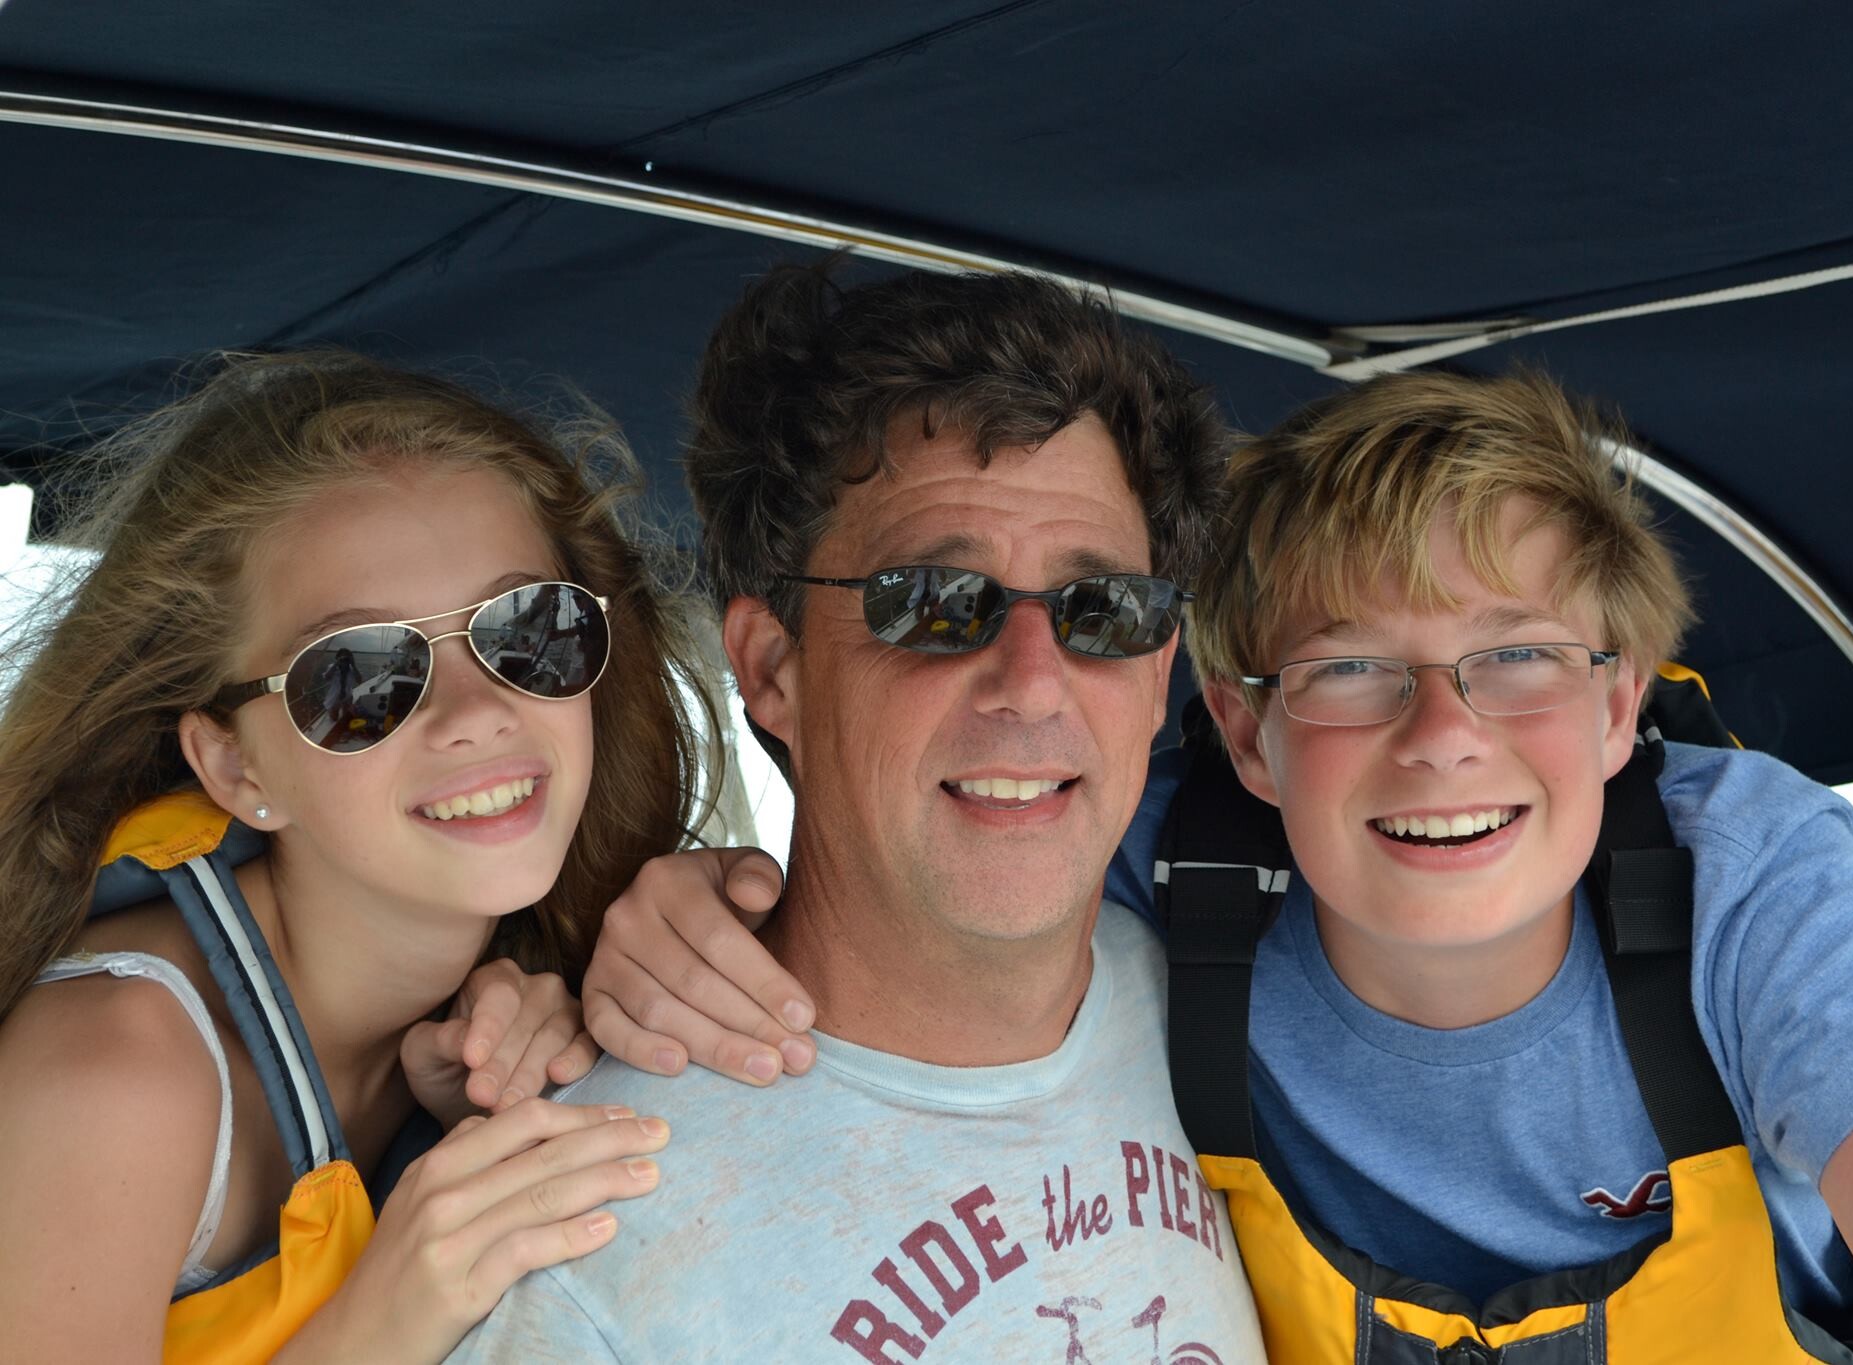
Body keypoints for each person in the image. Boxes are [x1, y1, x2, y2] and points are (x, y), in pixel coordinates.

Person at [595, 369, 1853, 1364]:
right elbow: (909, 892)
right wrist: (684, 904)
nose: (1443, 737)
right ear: (1245, 732)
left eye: (1517, 658)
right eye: (1350, 671)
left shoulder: (1741, 880)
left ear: (1617, 708)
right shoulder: (1164, 867)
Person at [452, 265, 1268, 1363]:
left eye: (1102, 609)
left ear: (1161, 663)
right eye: (935, 603)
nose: (1033, 683)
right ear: (770, 667)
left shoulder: (1242, 1015)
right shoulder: (581, 1244)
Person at [0, 351, 718, 1362]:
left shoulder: (493, 1003)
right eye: (360, 676)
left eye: (528, 628)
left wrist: (463, 1108)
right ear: (233, 765)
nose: (474, 712)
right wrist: (386, 1314)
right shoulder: (117, 1076)